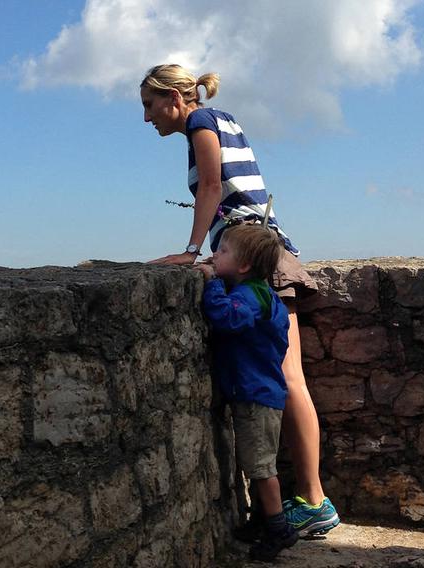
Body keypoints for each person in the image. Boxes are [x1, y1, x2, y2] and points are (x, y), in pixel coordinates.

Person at [140, 63, 340, 536]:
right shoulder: (220, 119)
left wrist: (192, 253)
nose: (147, 118)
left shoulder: (201, 123)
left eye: (149, 106)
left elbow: (212, 186)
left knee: (289, 378)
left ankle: (313, 501)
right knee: (290, 377)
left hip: (252, 251)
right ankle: (313, 499)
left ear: (174, 99)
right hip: (264, 246)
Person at [194, 223, 297, 561]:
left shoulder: (250, 296)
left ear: (243, 266)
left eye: (222, 251)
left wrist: (212, 284)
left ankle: (279, 528)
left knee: (261, 467)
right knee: (255, 461)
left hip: (257, 395)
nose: (214, 255)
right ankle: (261, 520)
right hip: (259, 391)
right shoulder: (263, 295)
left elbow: (227, 318)